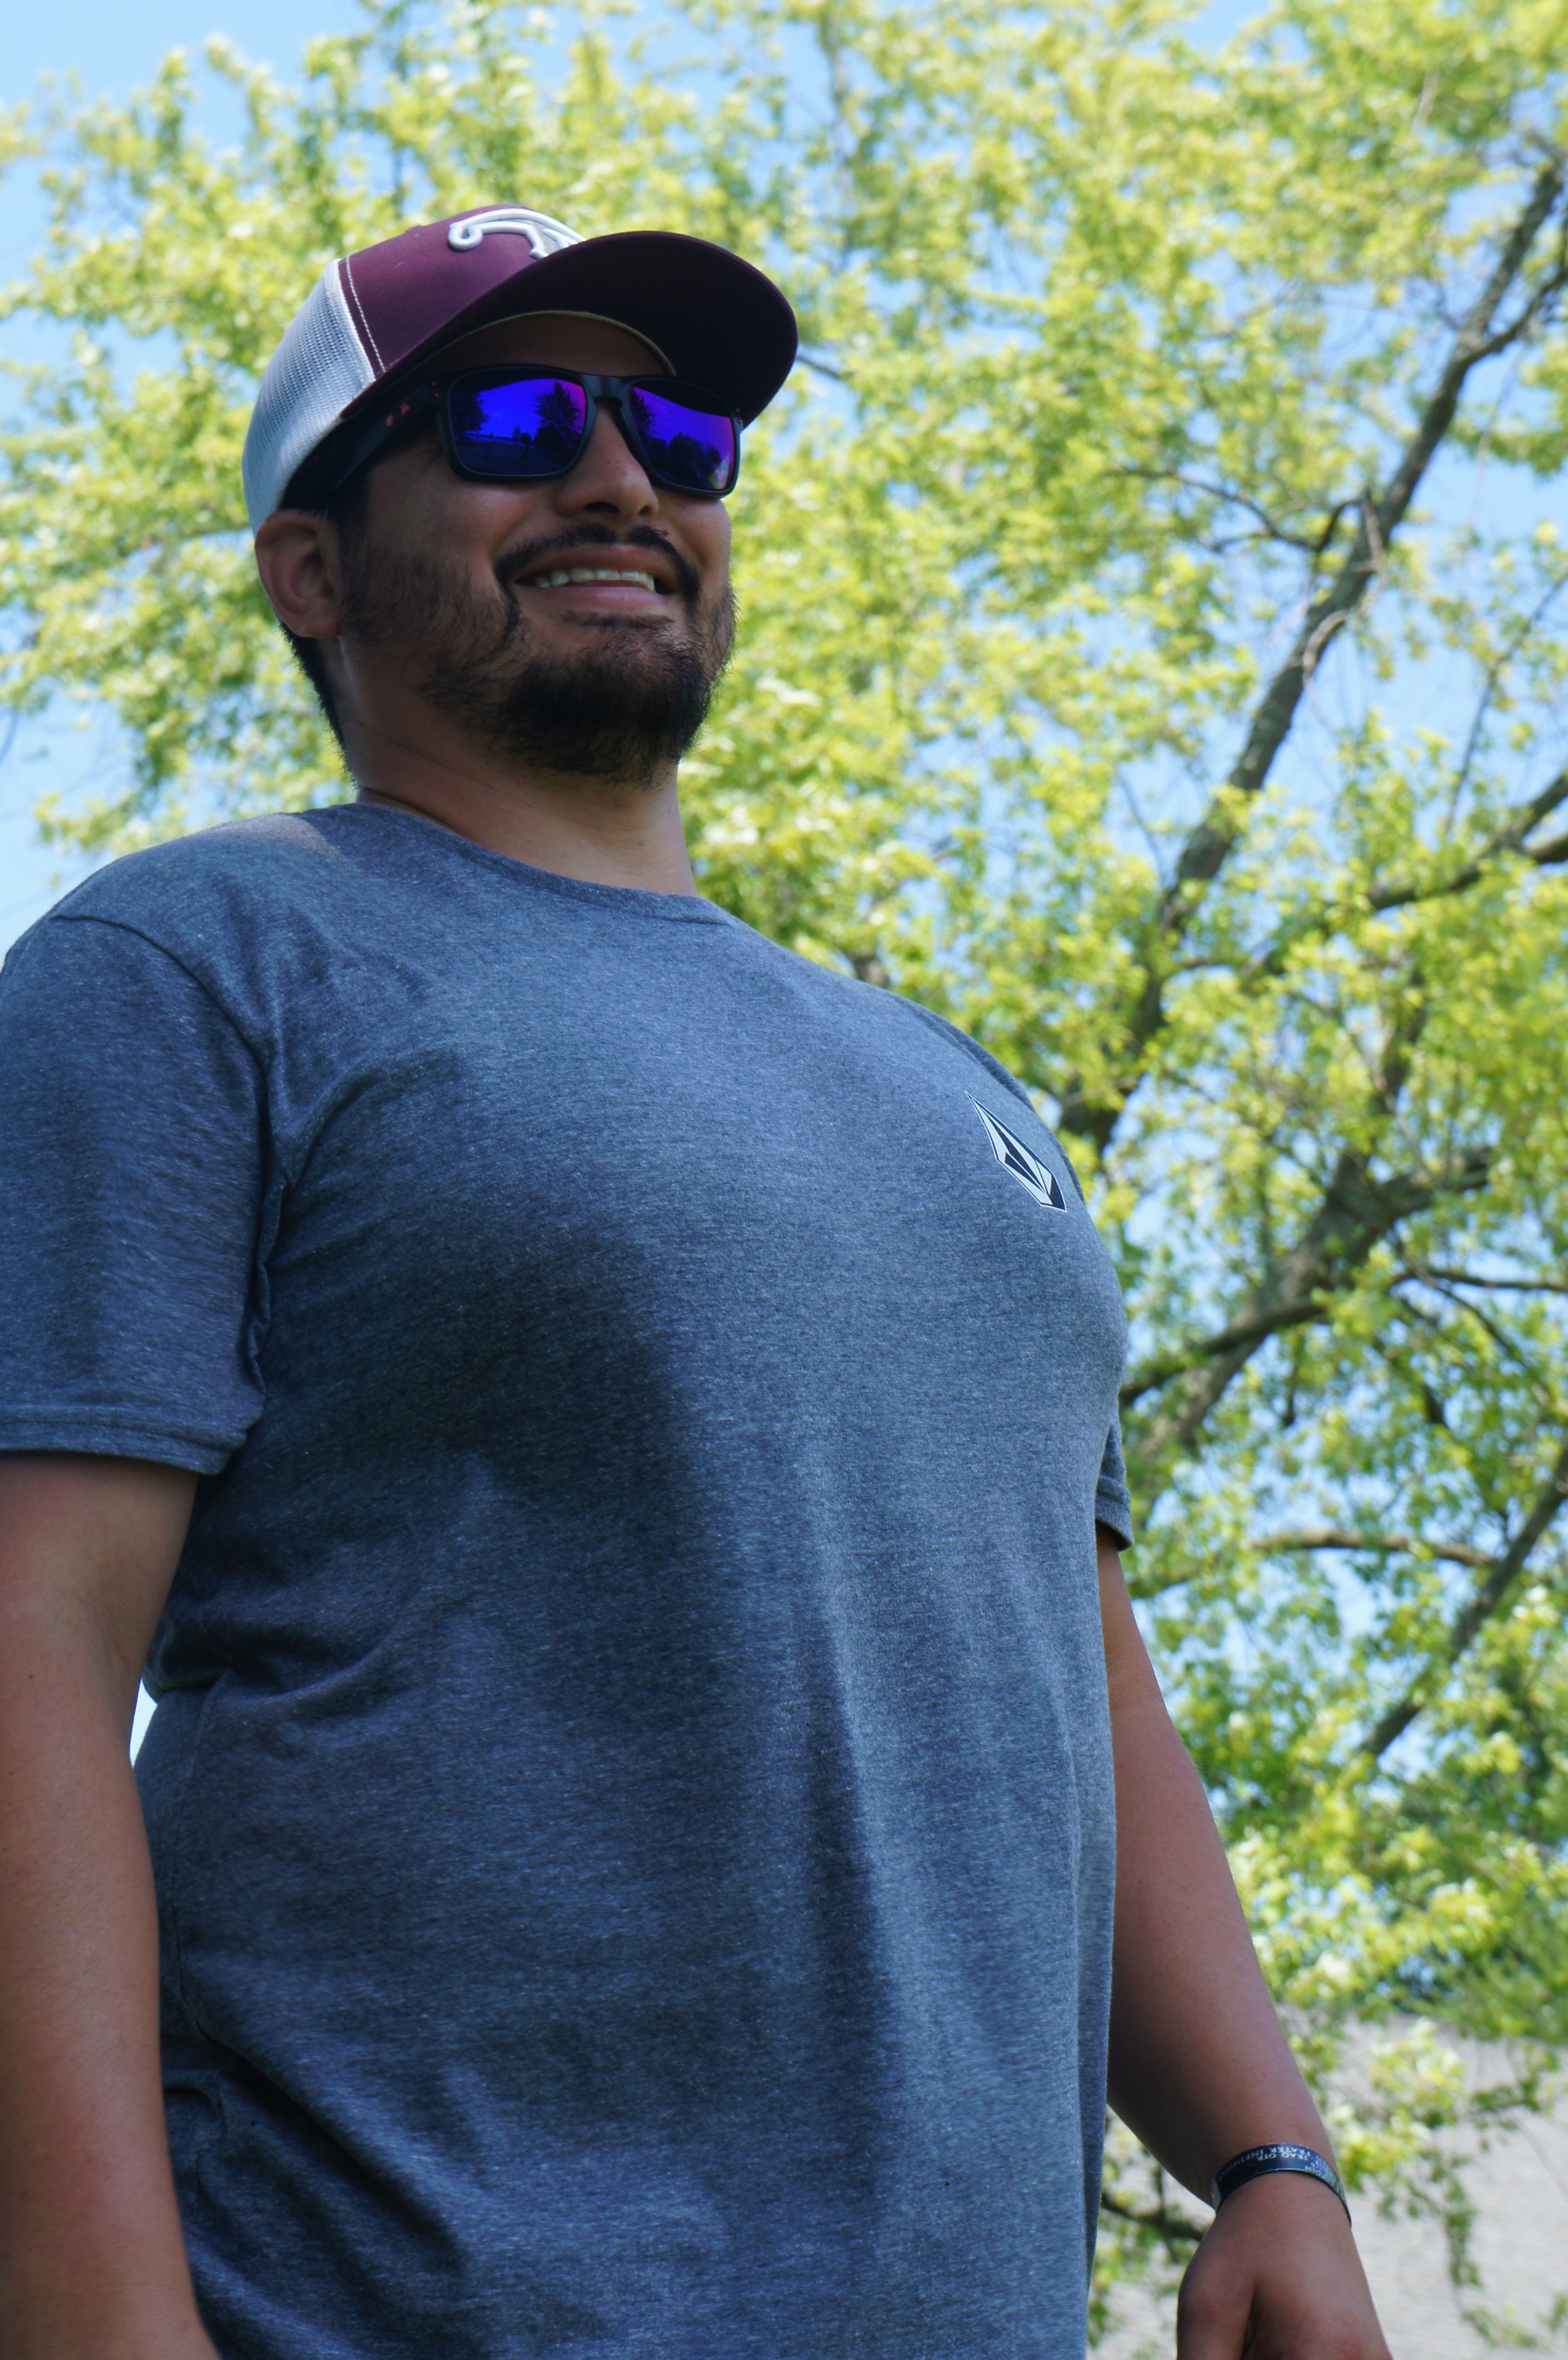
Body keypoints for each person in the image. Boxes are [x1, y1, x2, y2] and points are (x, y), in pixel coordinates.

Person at [0, 205, 1391, 2360]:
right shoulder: (198, 963)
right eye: (514, 420)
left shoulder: (949, 1092)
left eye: (673, 433)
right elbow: (28, 1653)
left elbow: (1072, 1655)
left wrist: (1265, 2157)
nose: (620, 477)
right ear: (311, 572)